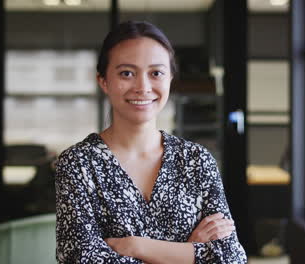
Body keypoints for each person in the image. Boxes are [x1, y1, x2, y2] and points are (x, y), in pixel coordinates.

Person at [55, 20, 247, 263]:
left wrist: (136, 246)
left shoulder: (196, 160)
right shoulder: (78, 164)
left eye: (156, 73)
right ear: (103, 81)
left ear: (170, 79)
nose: (143, 87)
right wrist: (187, 252)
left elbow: (231, 258)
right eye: (127, 73)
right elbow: (80, 259)